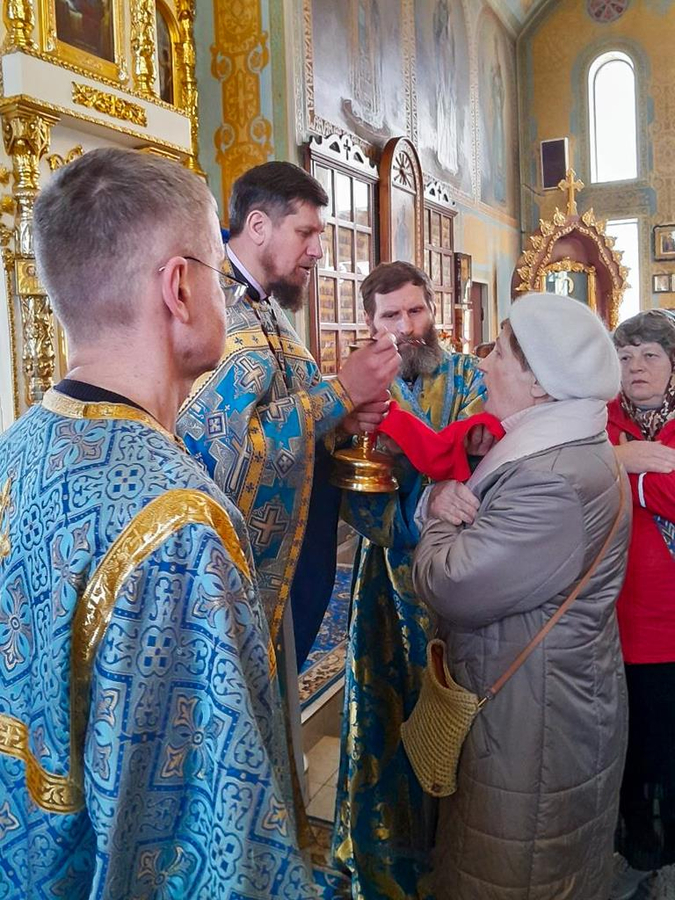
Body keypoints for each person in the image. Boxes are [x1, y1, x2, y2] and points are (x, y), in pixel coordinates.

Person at [0, 148, 315, 898]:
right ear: (178, 287)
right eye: (214, 265)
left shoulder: (19, 445)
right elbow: (215, 846)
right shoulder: (178, 523)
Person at [413, 292, 630, 900]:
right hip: (547, 703)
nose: (482, 363)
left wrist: (439, 510)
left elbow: (449, 583)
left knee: (516, 873)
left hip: (532, 726)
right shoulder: (566, 446)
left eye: (500, 352)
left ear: (539, 381)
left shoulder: (551, 479)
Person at [178, 162, 399, 663]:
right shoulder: (212, 309)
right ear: (258, 226)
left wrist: (342, 416)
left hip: (293, 561)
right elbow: (227, 450)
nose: (318, 250)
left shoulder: (265, 305)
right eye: (306, 233)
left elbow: (286, 399)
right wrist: (341, 393)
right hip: (241, 575)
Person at [332, 261, 485, 899]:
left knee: (461, 727)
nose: (406, 327)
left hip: (464, 585)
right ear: (371, 324)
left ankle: (460, 864)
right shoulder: (358, 395)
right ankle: (384, 867)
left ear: (434, 310)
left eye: (415, 311)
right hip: (386, 590)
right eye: (390, 316)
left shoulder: (472, 378)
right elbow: (349, 490)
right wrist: (423, 505)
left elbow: (490, 460)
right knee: (387, 727)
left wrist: (457, 479)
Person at [608, 310, 675, 900]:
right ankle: (637, 850)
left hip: (671, 626)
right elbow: (570, 479)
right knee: (624, 748)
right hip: (609, 622)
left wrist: (628, 478)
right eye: (625, 357)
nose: (636, 368)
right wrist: (618, 464)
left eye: (650, 355)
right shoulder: (599, 421)